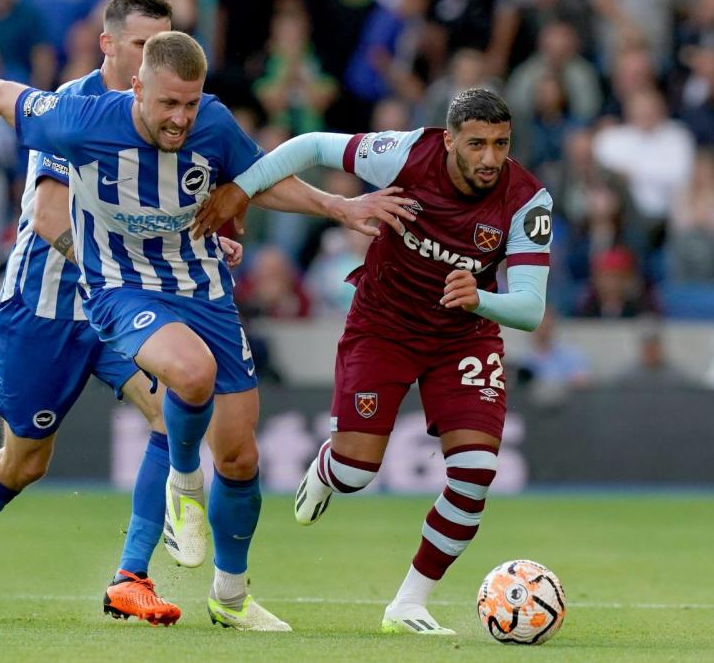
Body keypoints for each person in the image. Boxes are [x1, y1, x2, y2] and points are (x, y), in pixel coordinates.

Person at [0, 27, 412, 630]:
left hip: (166, 298)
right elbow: (10, 133)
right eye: (143, 45)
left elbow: (257, 174)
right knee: (25, 462)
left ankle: (138, 576)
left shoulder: (209, 121)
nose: (181, 117)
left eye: (190, 102)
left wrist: (339, 206)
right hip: (54, 307)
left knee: (190, 416)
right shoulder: (76, 114)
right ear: (124, 62)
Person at [193, 88, 552, 635]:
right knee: (358, 472)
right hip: (383, 326)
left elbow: (529, 306)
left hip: (465, 336)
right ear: (449, 139)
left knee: (476, 472)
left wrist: (480, 298)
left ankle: (408, 603)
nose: (489, 158)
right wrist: (242, 190)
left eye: (501, 145)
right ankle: (331, 468)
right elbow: (312, 144)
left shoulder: (527, 201)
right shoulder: (404, 153)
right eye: (476, 143)